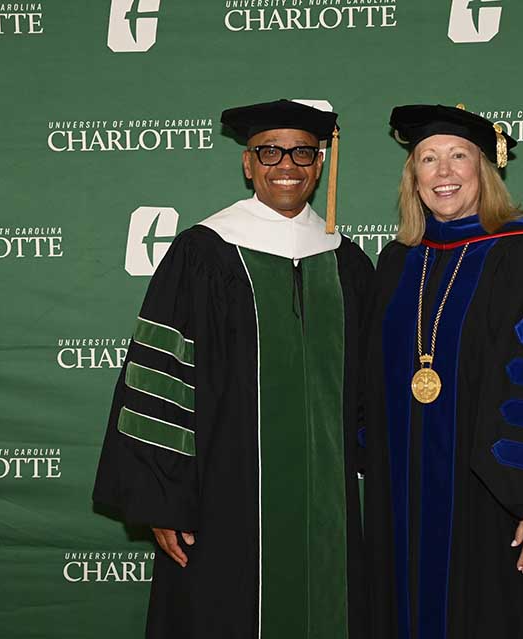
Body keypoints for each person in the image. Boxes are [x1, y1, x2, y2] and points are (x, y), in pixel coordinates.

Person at [93, 99, 372, 639]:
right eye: (270, 151)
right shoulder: (204, 253)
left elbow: (369, 389)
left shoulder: (348, 262)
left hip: (330, 505)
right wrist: (165, 497)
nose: (286, 164)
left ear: (320, 163)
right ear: (248, 163)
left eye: (302, 152)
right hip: (224, 495)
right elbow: (163, 377)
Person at [363, 104, 523, 639]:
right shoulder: (397, 262)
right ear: (414, 178)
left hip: (499, 505)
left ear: (485, 170)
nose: (444, 172)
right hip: (403, 499)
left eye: (459, 156)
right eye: (428, 160)